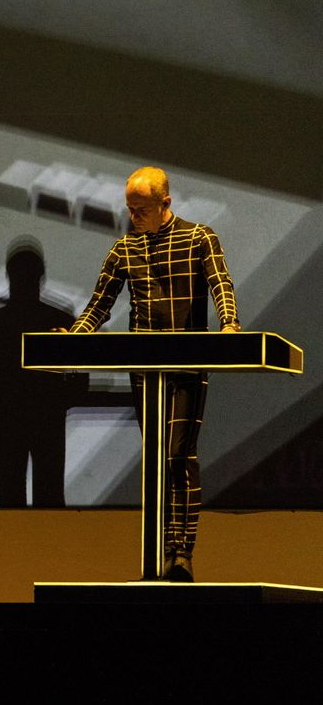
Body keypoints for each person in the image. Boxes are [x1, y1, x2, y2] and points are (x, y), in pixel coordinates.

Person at [64, 166, 239, 582]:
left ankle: (182, 552)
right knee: (158, 460)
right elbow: (99, 304)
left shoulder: (199, 237)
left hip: (186, 365)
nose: (133, 217)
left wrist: (229, 325)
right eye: (129, 209)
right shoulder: (124, 248)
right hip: (144, 369)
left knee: (179, 454)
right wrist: (74, 336)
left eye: (141, 209)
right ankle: (158, 552)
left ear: (165, 204)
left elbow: (221, 283)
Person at [0, 240, 78, 507]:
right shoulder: (60, 320)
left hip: (5, 419)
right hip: (49, 419)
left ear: (9, 275)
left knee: (10, 494)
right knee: (51, 494)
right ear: (41, 277)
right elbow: (81, 380)